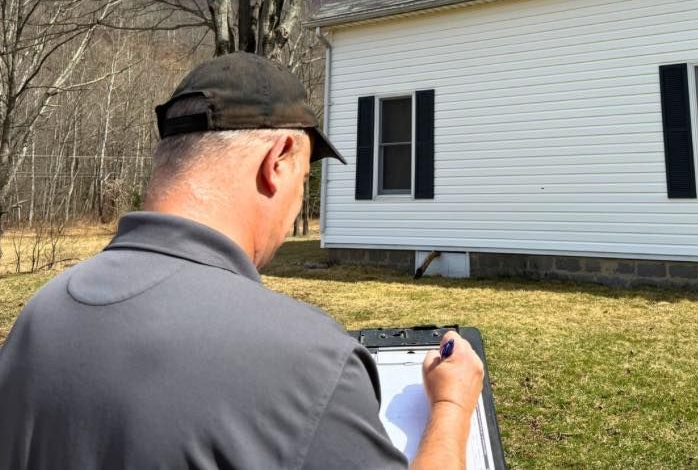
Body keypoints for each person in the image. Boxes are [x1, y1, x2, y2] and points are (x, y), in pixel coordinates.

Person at [0, 52, 484, 469]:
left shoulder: (40, 316)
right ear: (278, 160)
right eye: (304, 182)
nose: (300, 203)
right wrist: (452, 403)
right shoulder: (309, 363)